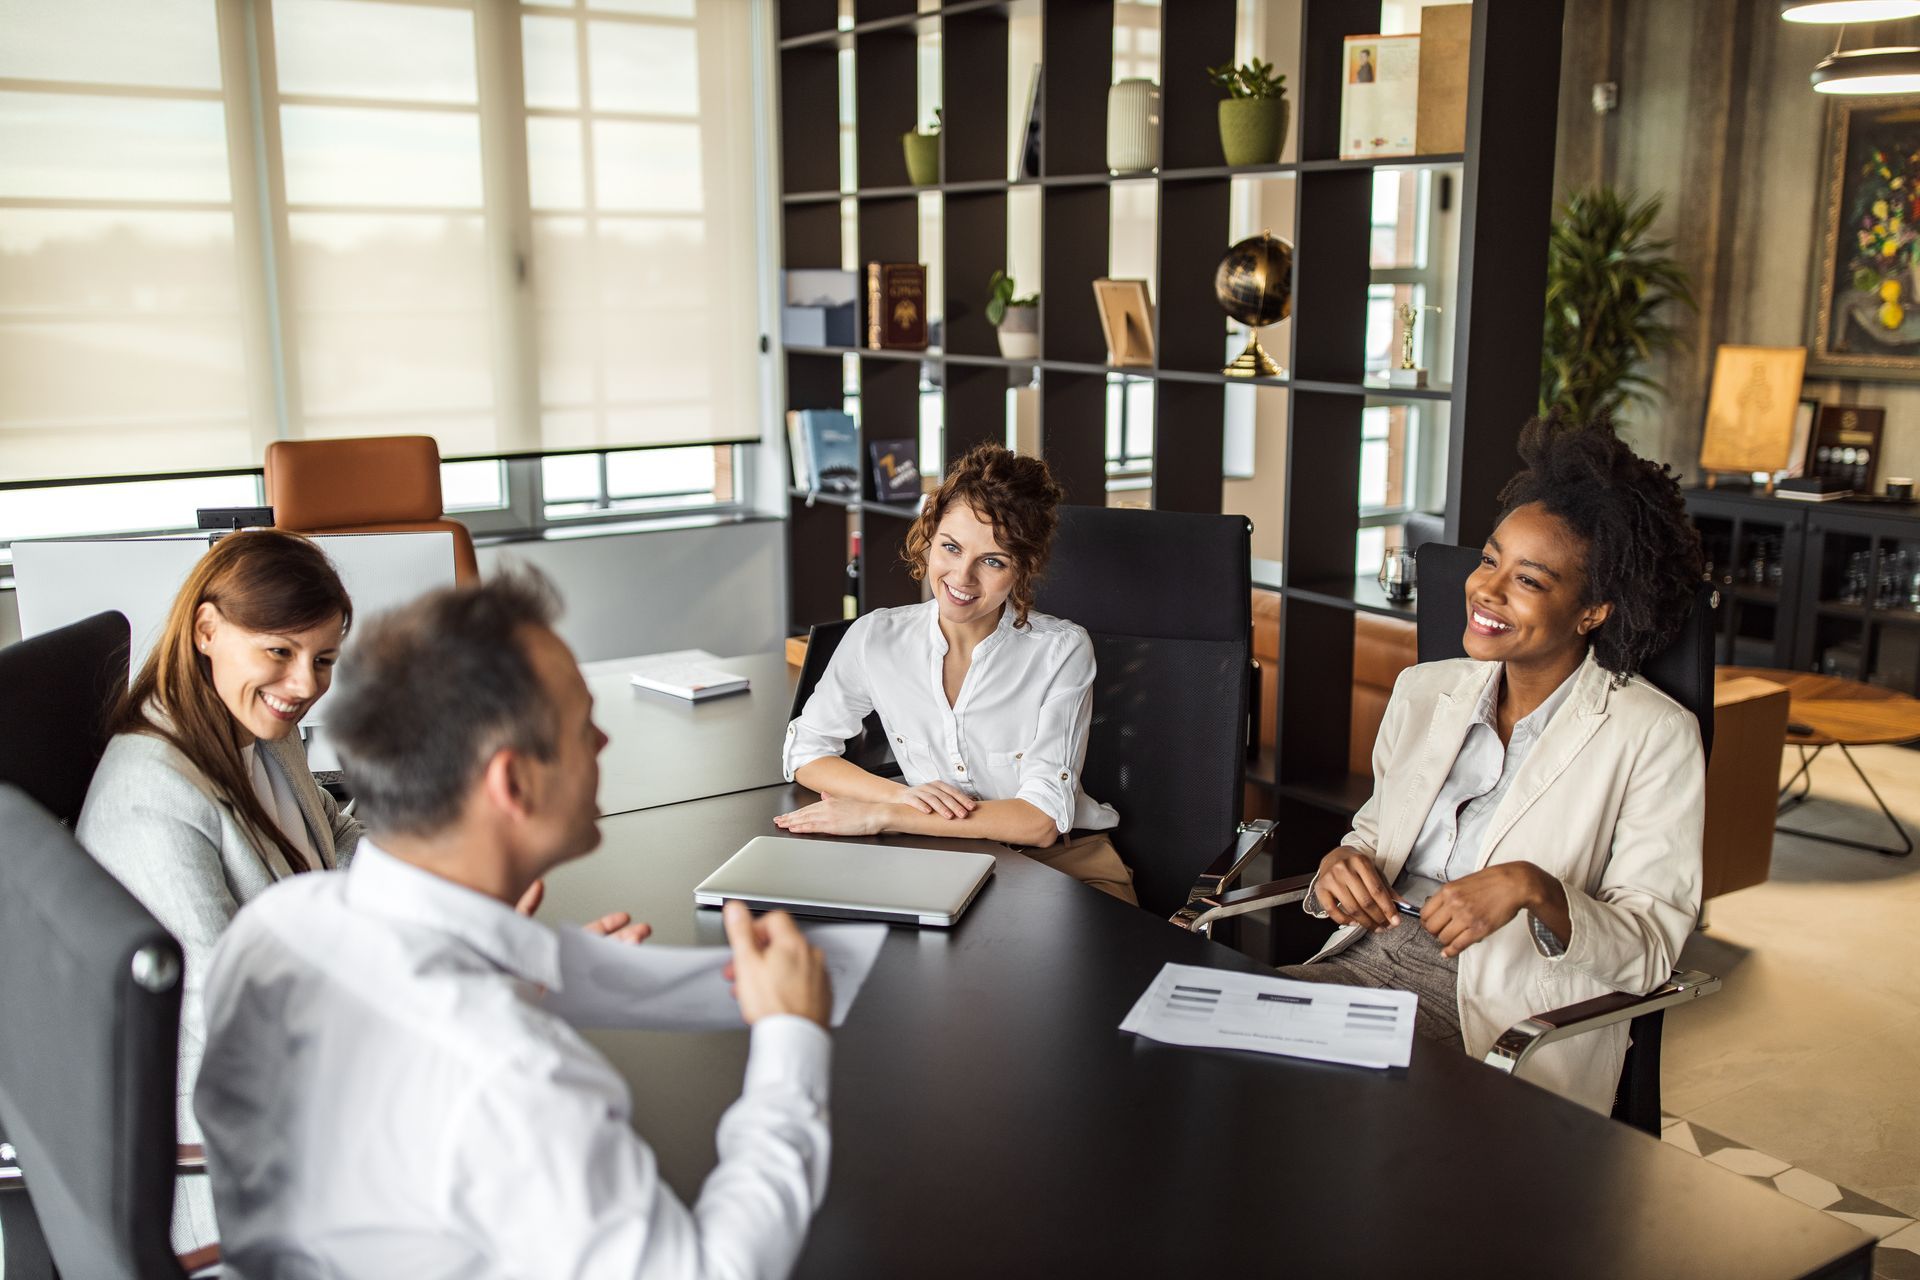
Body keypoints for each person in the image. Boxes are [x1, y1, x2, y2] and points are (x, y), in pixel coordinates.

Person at [194, 570, 834, 1278]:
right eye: (580, 727)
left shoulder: (279, 925)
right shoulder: (512, 1075)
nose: (602, 744)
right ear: (511, 782)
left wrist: (498, 984)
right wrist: (790, 1042)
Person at [1282, 416, 1706, 1113]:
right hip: (1358, 966)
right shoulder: (1426, 692)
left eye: (1529, 580)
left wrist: (1535, 889)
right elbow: (1372, 834)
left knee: (1289, 1110)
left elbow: (1650, 951)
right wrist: (1341, 863)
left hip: (1497, 1014)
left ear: (1593, 609)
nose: (1486, 589)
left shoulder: (1653, 736)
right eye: (1490, 560)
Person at [77, 528, 358, 1253]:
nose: (304, 684)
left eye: (324, 660)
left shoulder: (259, 730)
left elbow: (331, 840)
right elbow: (237, 1019)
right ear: (207, 629)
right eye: (279, 651)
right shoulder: (152, 799)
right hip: (246, 1164)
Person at [776, 442, 1135, 904]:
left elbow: (1040, 822)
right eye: (950, 547)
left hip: (1062, 868)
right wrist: (897, 796)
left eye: (992, 561)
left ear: (1023, 569)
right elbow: (806, 751)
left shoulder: (1061, 651)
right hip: (937, 859)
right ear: (928, 539)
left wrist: (882, 816)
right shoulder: (877, 638)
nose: (961, 579)